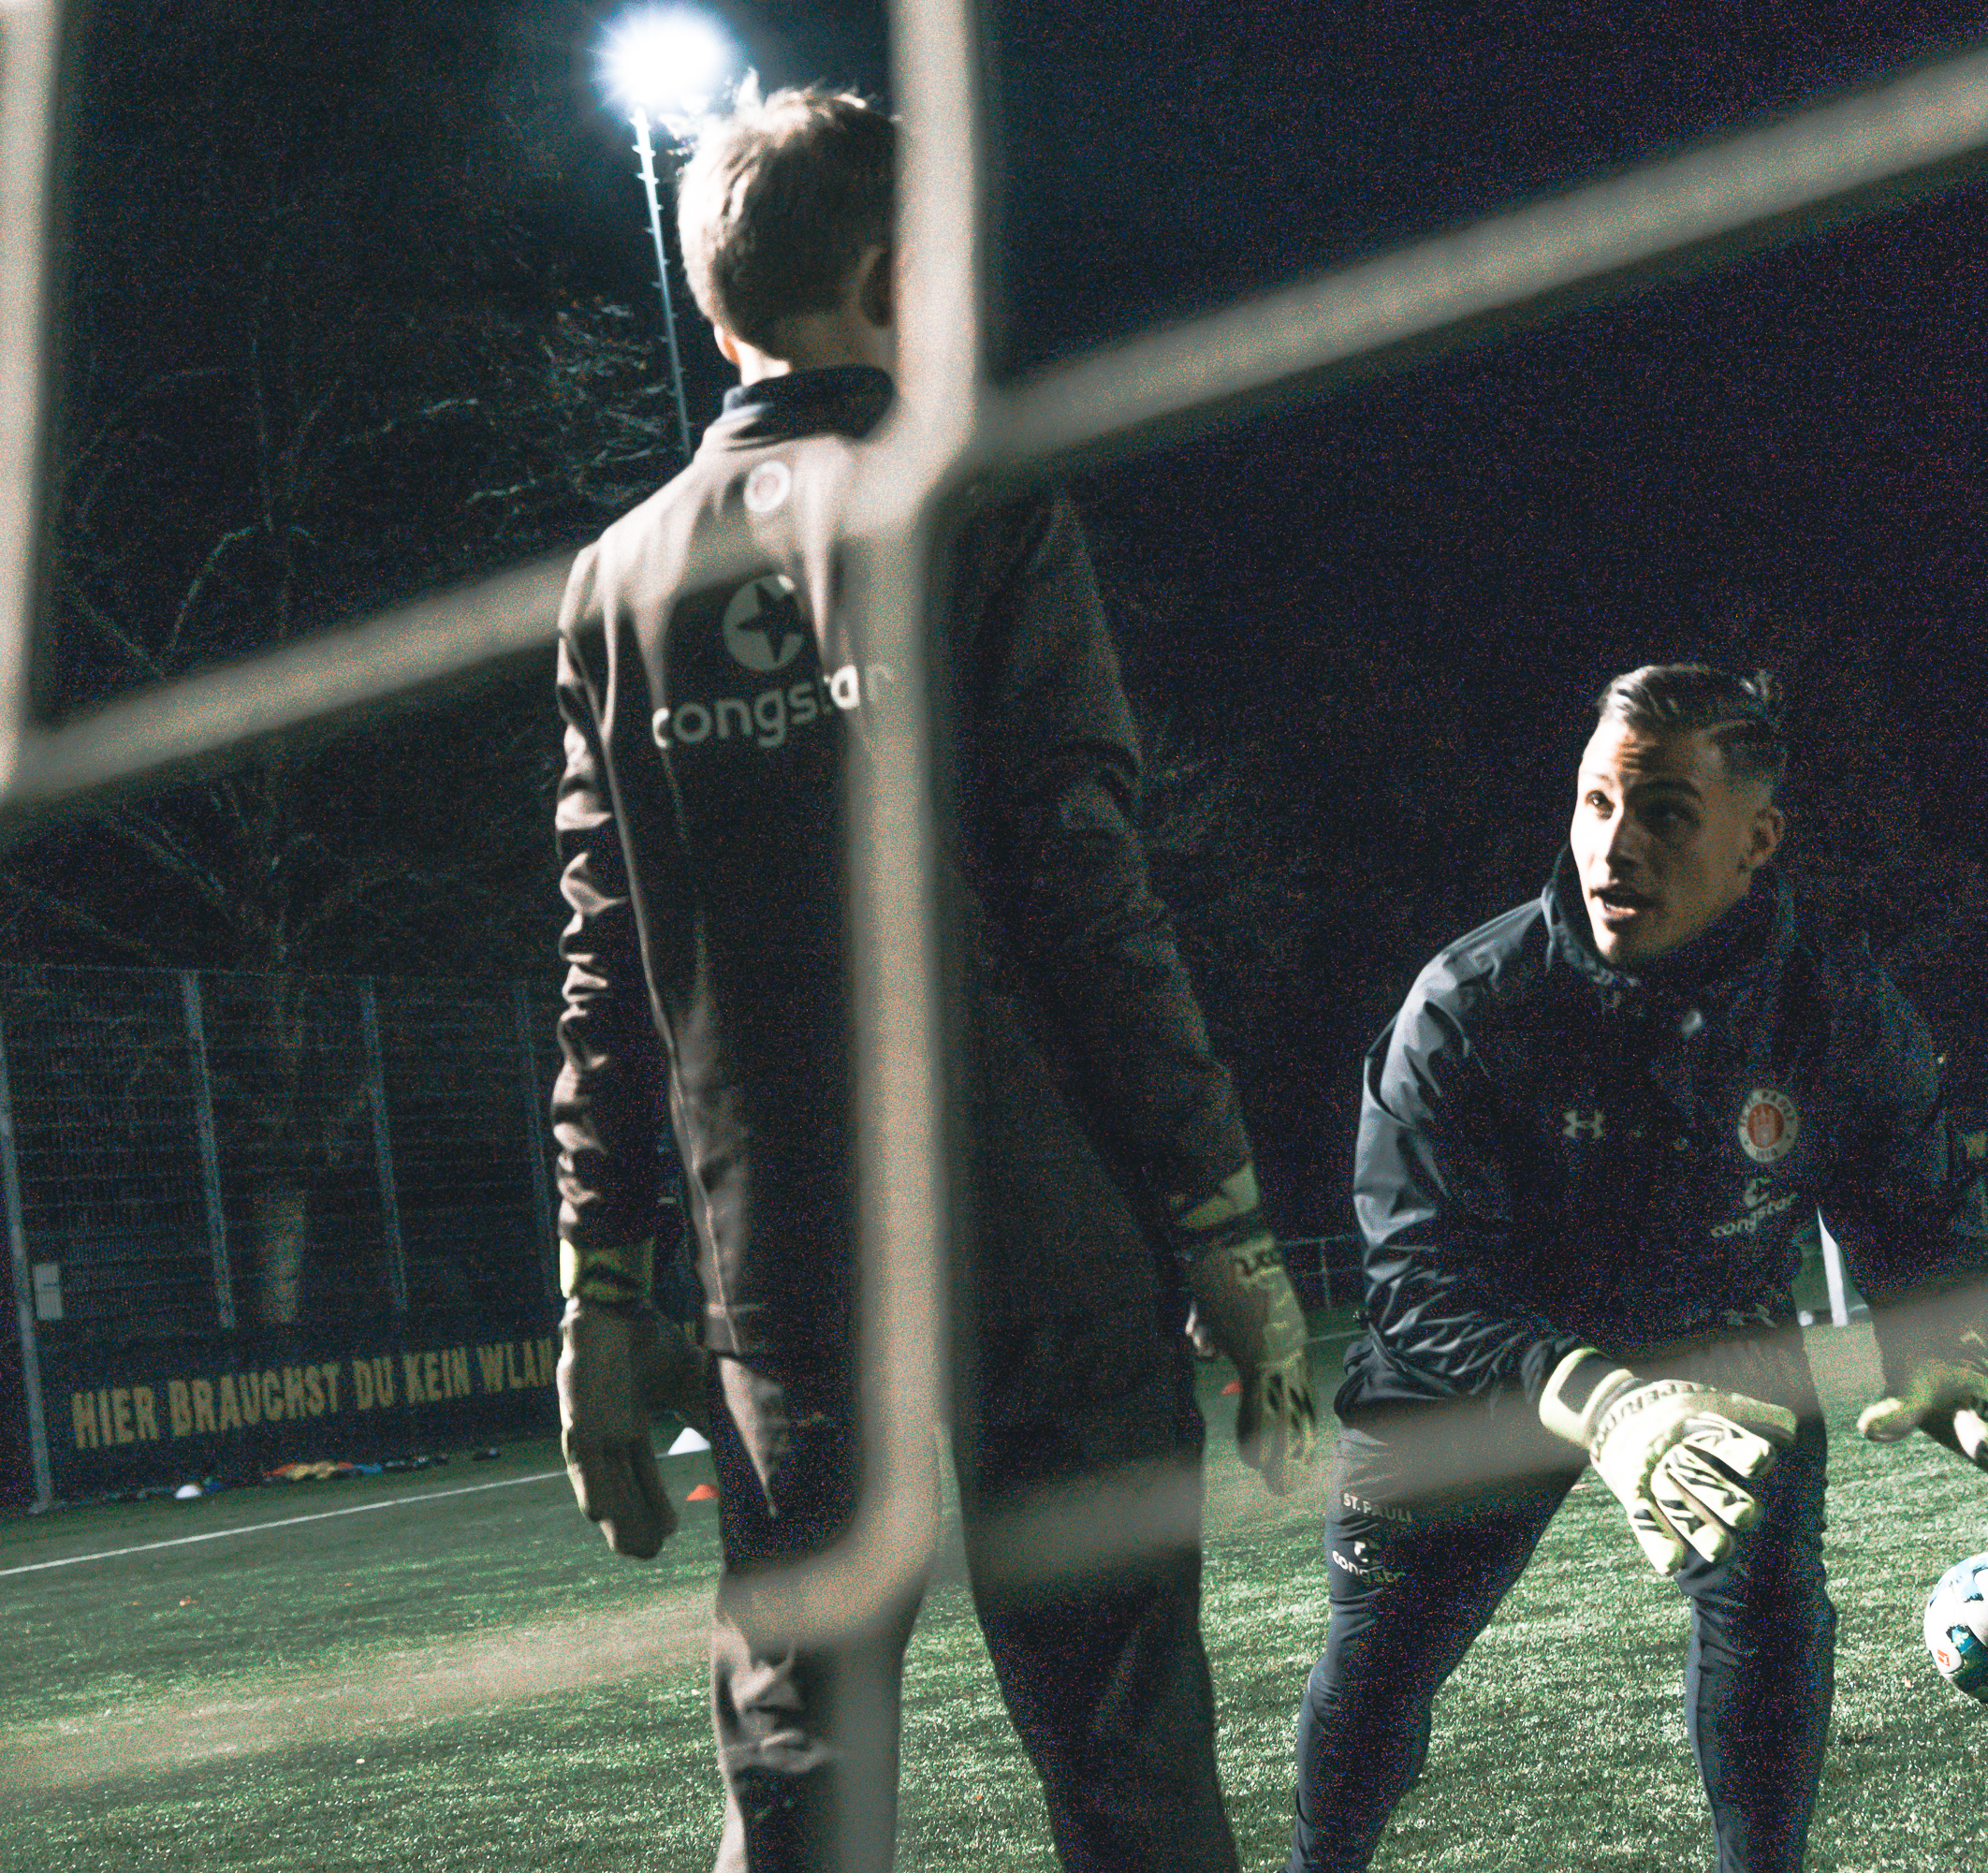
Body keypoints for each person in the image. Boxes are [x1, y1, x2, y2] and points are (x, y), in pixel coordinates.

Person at [546, 87, 1318, 1873]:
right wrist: (1224, 1224)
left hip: (792, 1287)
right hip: (1042, 1243)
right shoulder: (977, 501)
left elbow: (602, 983)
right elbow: (1088, 892)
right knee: (1129, 1778)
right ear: (900, 275)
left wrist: (599, 1287)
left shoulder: (616, 585)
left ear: (719, 309)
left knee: (804, 1795)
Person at [1282, 664, 1988, 1873]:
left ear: (1757, 842)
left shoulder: (1835, 1012)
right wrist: (1601, 1398)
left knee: (1770, 1610)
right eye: (1595, 803)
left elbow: (1915, 1213)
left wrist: (1948, 1353)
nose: (1614, 844)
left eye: (1664, 814)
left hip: (1714, 1326)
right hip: (1482, 1369)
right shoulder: (1470, 1007)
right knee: (1381, 1659)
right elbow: (1421, 1275)